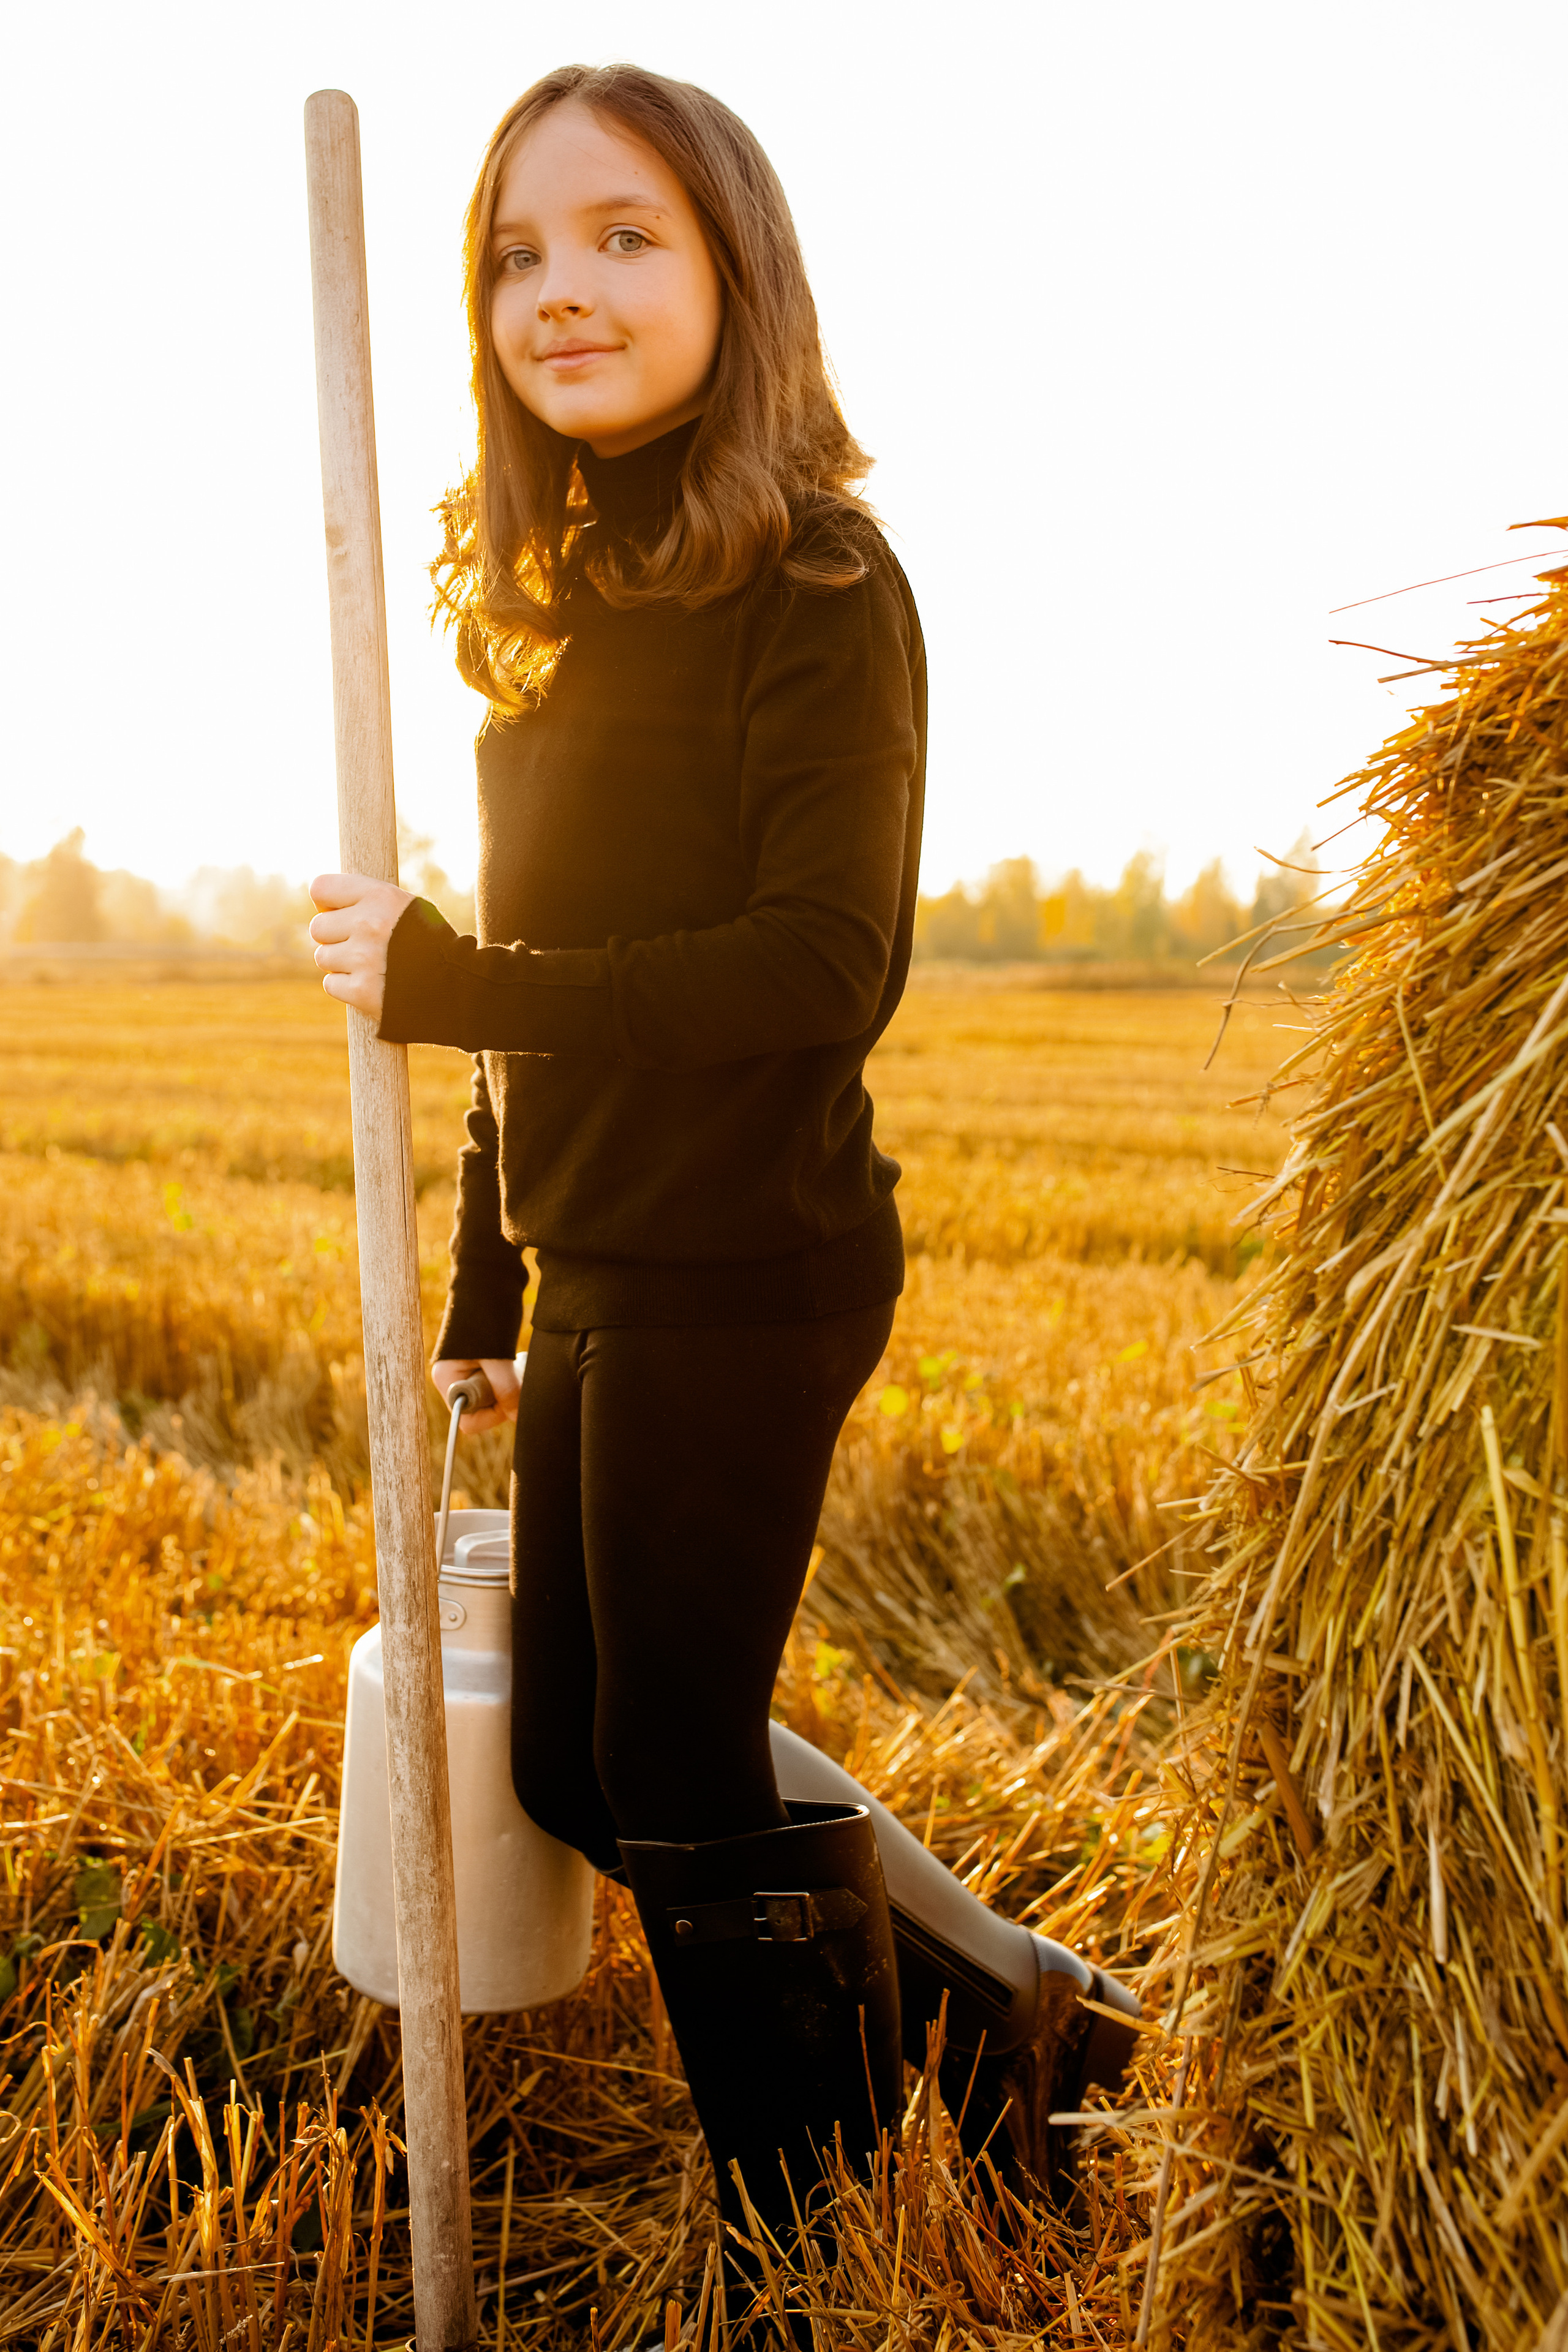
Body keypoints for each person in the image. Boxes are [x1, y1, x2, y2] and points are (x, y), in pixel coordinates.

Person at [309, 61, 1137, 2306]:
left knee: (669, 1749)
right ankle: (1026, 2020)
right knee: (582, 1761)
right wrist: (489, 1280)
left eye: (623, 236)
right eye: (515, 254)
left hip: (755, 1263)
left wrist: (453, 979)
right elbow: (521, 998)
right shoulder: (556, 619)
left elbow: (820, 961)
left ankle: (819, 2248)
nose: (558, 292)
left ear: (736, 271)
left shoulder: (823, 582)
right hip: (598, 1262)